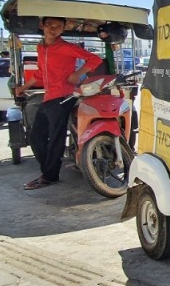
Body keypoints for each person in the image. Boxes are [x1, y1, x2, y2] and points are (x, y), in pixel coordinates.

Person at [14, 16, 103, 190]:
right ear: (42, 26)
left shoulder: (67, 47)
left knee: (56, 137)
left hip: (64, 96)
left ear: (63, 29)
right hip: (49, 97)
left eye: (57, 26)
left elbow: (95, 60)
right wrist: (23, 87)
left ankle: (50, 175)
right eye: (49, 24)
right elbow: (40, 73)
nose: (52, 29)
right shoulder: (41, 47)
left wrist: (77, 74)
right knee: (35, 136)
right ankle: (49, 170)